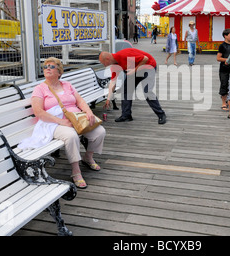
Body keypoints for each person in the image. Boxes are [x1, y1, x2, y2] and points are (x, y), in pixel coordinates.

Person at [25, 57, 106, 189]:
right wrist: (61, 121)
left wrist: (88, 112)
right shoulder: (40, 89)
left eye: (51, 67)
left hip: (76, 118)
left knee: (100, 131)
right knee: (71, 136)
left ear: (59, 72)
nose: (47, 69)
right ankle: (76, 171)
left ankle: (88, 157)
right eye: (45, 67)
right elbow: (39, 112)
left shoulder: (67, 85)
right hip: (53, 123)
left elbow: (80, 101)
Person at [99, 49, 167, 124]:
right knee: (126, 90)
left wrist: (134, 69)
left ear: (107, 59)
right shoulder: (114, 66)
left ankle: (161, 114)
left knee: (147, 91)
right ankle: (126, 116)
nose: (104, 65)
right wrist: (108, 98)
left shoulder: (124, 55)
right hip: (135, 70)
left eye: (103, 63)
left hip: (148, 66)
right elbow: (113, 82)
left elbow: (145, 58)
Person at [217, 28, 230, 111]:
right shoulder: (222, 46)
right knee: (224, 84)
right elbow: (218, 58)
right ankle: (224, 102)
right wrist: (227, 60)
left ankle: (228, 100)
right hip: (224, 69)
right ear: (225, 36)